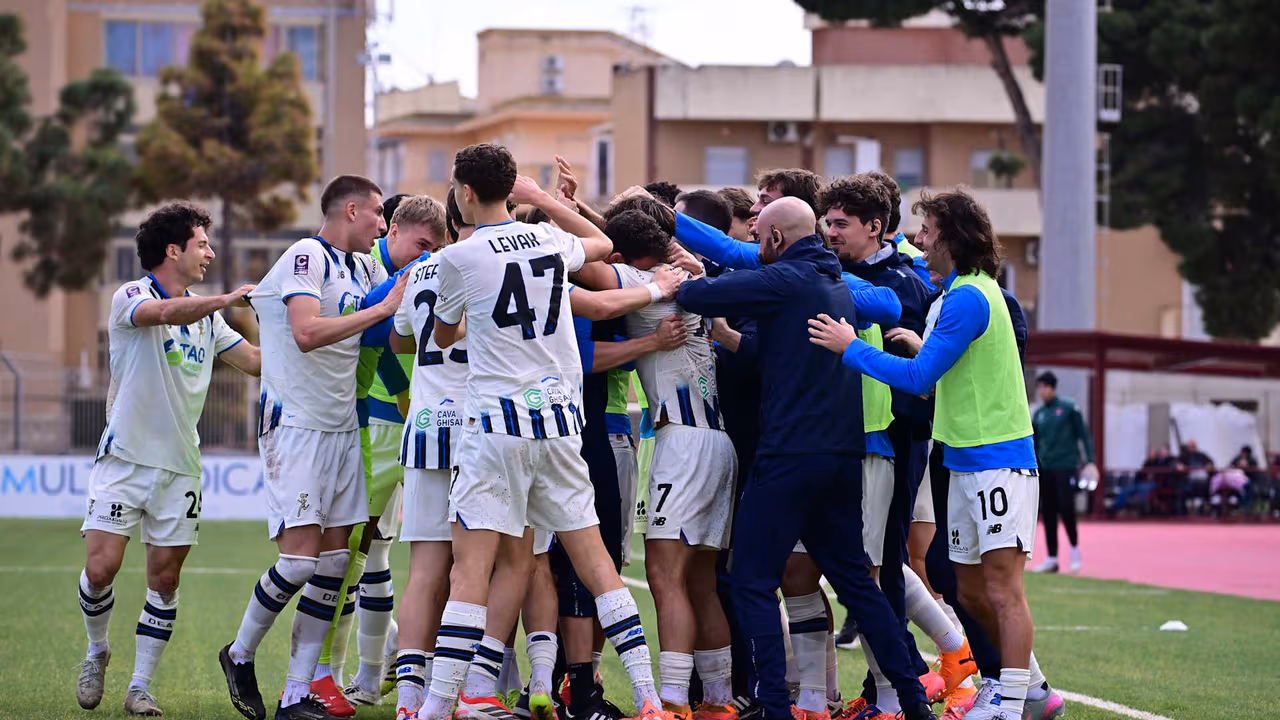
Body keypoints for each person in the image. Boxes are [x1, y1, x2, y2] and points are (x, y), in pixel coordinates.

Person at [419, 143, 679, 720]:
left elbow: (443, 335)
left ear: (463, 192)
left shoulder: (459, 257)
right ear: (511, 187)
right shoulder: (551, 243)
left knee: (471, 571)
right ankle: (649, 698)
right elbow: (605, 243)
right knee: (596, 563)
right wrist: (549, 204)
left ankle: (438, 706)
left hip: (495, 427)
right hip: (561, 425)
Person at [678, 196, 934, 720]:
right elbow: (784, 353)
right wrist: (734, 340)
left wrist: (681, 274)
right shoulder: (832, 281)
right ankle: (915, 704)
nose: (755, 245)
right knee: (857, 584)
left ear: (774, 239)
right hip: (839, 457)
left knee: (750, 580)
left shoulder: (785, 279)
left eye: (760, 237)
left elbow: (698, 294)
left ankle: (774, 706)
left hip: (789, 456)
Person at [809, 189, 1039, 720]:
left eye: (928, 232)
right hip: (961, 459)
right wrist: (919, 346)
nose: (917, 240)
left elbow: (917, 382)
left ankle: (1014, 700)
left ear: (953, 240)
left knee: (1002, 588)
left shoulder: (967, 297)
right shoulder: (953, 294)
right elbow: (934, 378)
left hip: (997, 457)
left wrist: (851, 348)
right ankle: (1018, 686)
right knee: (961, 583)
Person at [220, 175, 409, 720]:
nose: (380, 224)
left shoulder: (366, 268)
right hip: (296, 426)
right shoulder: (307, 255)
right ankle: (239, 653)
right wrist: (381, 310)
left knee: (332, 563)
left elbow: (379, 336)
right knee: (300, 562)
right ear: (351, 210)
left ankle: (297, 695)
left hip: (343, 429)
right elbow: (306, 331)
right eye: (376, 213)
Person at [76, 203, 261, 718]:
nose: (211, 252)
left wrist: (309, 339)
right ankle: (97, 651)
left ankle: (139, 687)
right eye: (203, 243)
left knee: (165, 579)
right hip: (125, 460)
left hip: (180, 467)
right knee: (101, 567)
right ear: (173, 250)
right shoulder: (130, 296)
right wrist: (224, 299)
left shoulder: (210, 316)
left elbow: (253, 361)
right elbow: (162, 313)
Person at [1030, 371, 1096, 574]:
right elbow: (1034, 442)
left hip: (1065, 466)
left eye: (1044, 387)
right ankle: (1052, 557)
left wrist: (1090, 461)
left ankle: (1075, 550)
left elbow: (1083, 435)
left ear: (1052, 387)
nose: (1041, 391)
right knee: (1048, 512)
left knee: (1066, 508)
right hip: (1046, 468)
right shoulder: (1039, 414)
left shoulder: (1069, 408)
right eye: (1039, 387)